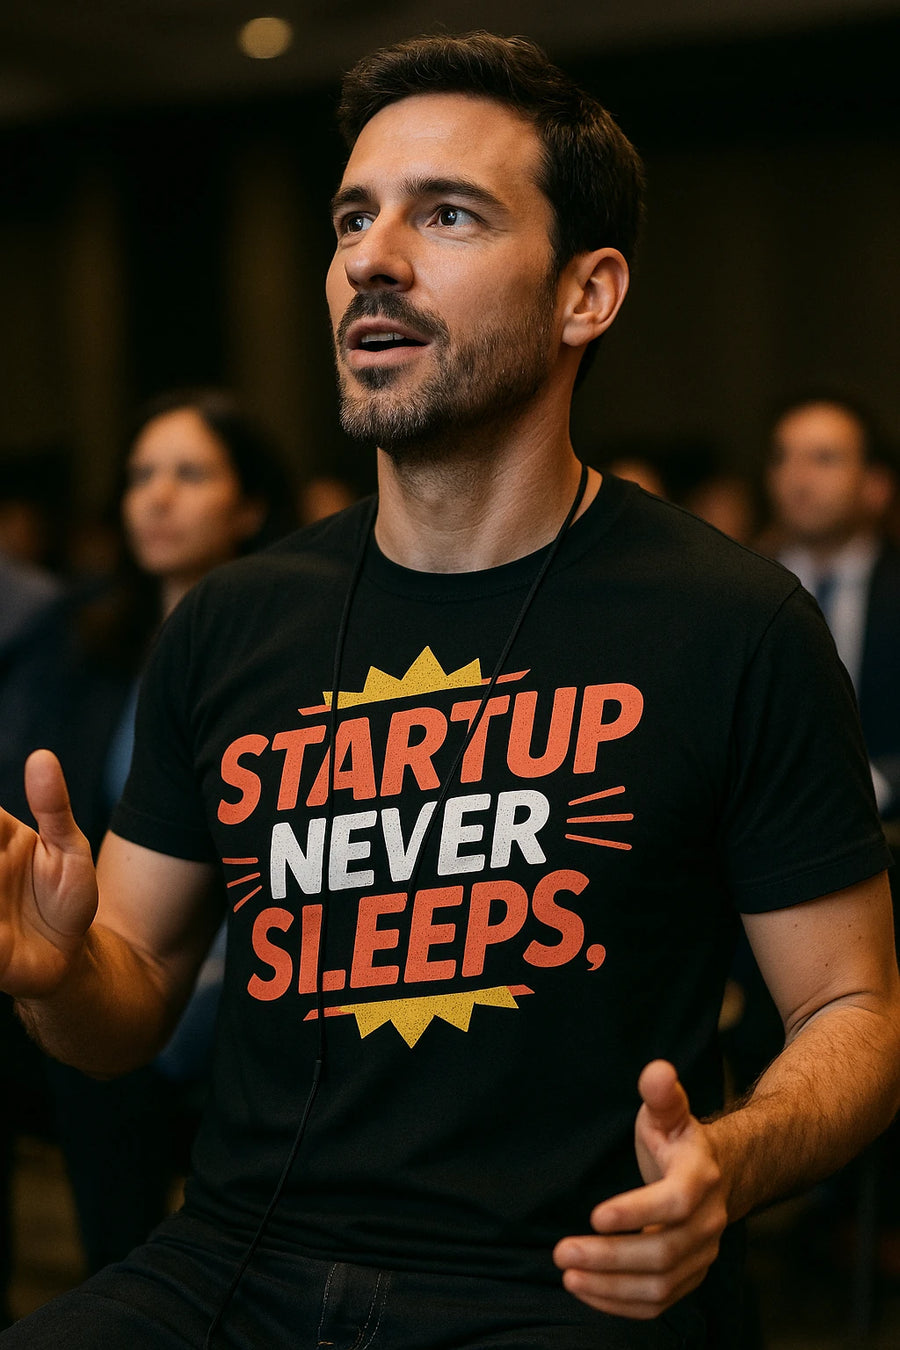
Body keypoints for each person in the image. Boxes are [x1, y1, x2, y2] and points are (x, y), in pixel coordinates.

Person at [0, 32, 899, 1350]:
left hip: (566, 1283)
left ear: (588, 293)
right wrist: (51, 971)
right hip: (239, 1260)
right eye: (354, 215)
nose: (373, 254)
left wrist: (732, 1161)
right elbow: (123, 1007)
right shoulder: (236, 620)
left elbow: (856, 1010)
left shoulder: (733, 622)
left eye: (450, 214)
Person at [50, 389, 297, 1276]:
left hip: (264, 971)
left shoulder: (294, 653)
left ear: (250, 506)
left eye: (189, 475)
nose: (156, 498)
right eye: (141, 476)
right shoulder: (89, 648)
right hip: (131, 952)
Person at [765, 393, 900, 821]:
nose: (796, 477)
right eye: (782, 457)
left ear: (876, 487)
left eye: (824, 459)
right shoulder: (734, 589)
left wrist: (870, 788)